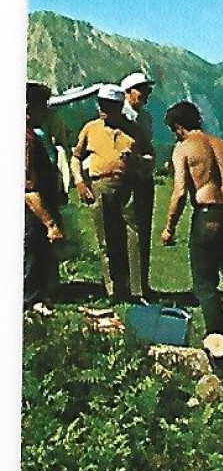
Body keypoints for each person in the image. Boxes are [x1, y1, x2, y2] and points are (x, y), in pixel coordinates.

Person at [159, 101, 223, 338]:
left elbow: (180, 192)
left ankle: (217, 334)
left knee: (204, 282)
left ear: (178, 127)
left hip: (208, 214)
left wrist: (169, 228)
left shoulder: (184, 148)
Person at [71, 85, 150, 301]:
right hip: (101, 185)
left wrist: (137, 160)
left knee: (134, 235)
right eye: (102, 105)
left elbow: (150, 158)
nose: (103, 110)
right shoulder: (90, 128)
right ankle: (114, 289)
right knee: (106, 237)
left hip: (130, 185)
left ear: (119, 106)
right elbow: (76, 156)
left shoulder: (133, 130)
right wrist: (79, 180)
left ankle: (137, 289)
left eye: (109, 106)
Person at [25, 82, 66, 311]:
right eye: (43, 107)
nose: (46, 113)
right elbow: (28, 188)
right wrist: (50, 223)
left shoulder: (33, 136)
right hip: (33, 212)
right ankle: (31, 302)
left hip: (39, 207)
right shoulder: (27, 140)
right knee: (33, 252)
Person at [119, 71, 156, 298]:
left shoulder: (146, 117)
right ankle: (131, 285)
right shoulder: (121, 115)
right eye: (141, 90)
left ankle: (140, 282)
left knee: (142, 229)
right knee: (129, 229)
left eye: (147, 91)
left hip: (143, 174)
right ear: (128, 92)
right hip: (126, 176)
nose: (145, 95)